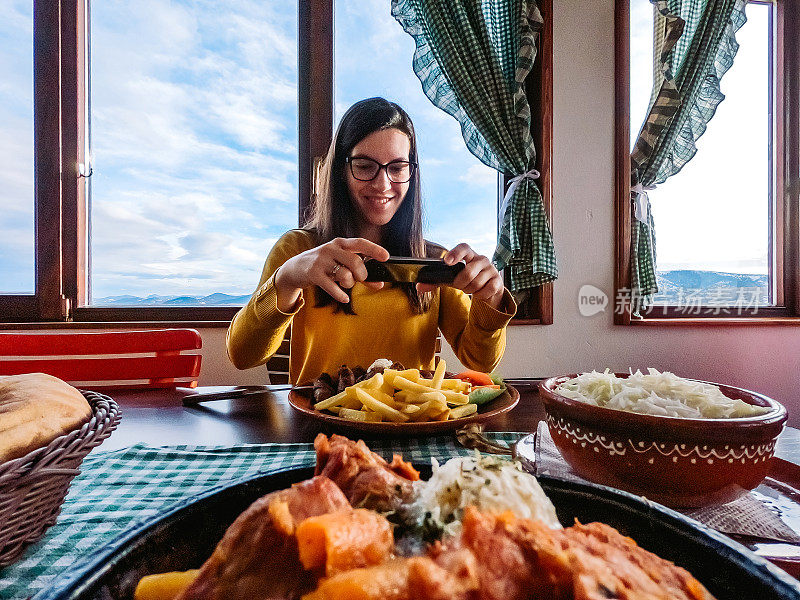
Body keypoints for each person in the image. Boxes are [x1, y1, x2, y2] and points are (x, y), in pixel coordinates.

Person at [226, 97, 516, 384]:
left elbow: (480, 361)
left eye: (397, 167)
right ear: (341, 170)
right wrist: (286, 280)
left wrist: (490, 299)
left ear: (412, 173)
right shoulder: (298, 250)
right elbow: (242, 356)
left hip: (410, 425)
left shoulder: (434, 259)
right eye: (365, 166)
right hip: (319, 424)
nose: (383, 184)